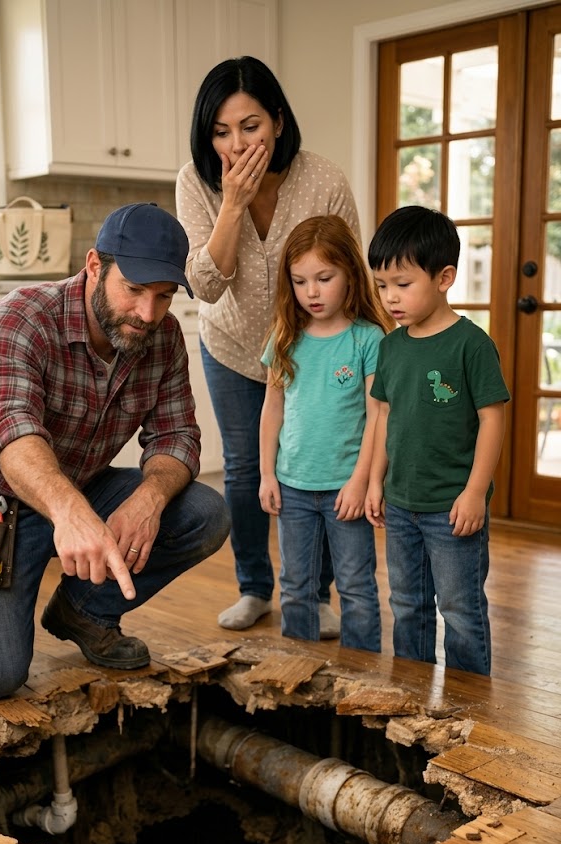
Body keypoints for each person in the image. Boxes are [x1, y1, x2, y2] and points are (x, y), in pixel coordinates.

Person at [0, 203, 231, 699]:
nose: (148, 313)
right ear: (94, 266)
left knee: (203, 511)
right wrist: (70, 512)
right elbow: (10, 430)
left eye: (164, 296)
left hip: (80, 488)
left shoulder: (162, 336)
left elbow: (177, 437)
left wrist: (149, 499)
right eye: (133, 290)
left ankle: (83, 612)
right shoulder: (20, 318)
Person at [176, 56, 361, 637]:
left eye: (250, 126)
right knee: (243, 469)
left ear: (278, 121)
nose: (236, 145)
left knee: (322, 465)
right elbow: (205, 284)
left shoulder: (324, 179)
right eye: (221, 132)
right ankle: (255, 588)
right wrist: (231, 203)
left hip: (313, 353)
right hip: (230, 346)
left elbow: (349, 274)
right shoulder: (196, 182)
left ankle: (317, 594)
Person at [365, 205, 510, 676]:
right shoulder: (390, 347)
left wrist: (474, 493)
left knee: (460, 608)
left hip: (452, 508)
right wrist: (374, 483)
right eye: (382, 285)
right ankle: (410, 697)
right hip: (401, 503)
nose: (390, 298)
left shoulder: (471, 344)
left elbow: (493, 420)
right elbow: (383, 417)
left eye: (403, 284)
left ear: (444, 277)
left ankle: (471, 713)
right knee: (407, 604)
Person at [259, 215, 388, 649]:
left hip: (344, 491)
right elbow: (272, 410)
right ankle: (298, 678)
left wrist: (362, 482)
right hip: (293, 487)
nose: (311, 292)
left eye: (324, 278)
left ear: (350, 274)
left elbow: (377, 417)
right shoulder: (284, 337)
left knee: (355, 587)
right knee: (295, 587)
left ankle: (364, 680)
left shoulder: (368, 339)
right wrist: (266, 474)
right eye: (299, 281)